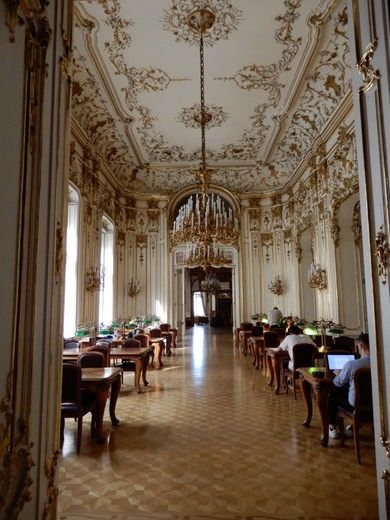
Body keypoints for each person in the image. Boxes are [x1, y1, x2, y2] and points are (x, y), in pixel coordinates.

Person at [328, 332, 370, 439]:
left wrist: (337, 374)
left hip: (356, 405)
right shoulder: (381, 363)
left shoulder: (352, 365)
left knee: (332, 395)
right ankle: (352, 428)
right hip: (376, 404)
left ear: (360, 346)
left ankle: (331, 426)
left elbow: (337, 383)